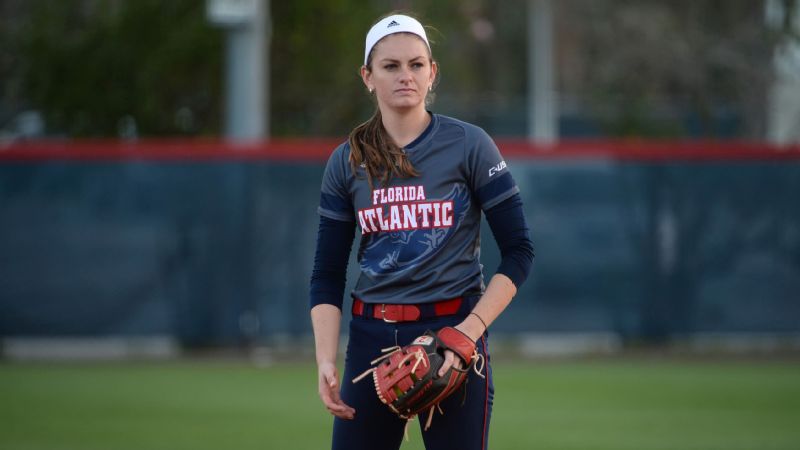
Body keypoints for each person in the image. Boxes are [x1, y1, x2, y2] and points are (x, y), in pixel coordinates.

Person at [309, 13, 534, 450]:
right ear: (367, 77)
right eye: (390, 66)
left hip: (453, 332)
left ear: (432, 73)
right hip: (372, 341)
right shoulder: (346, 161)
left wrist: (467, 333)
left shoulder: (469, 144)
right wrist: (324, 357)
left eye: (416, 64)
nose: (405, 75)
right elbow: (326, 274)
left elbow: (520, 251)